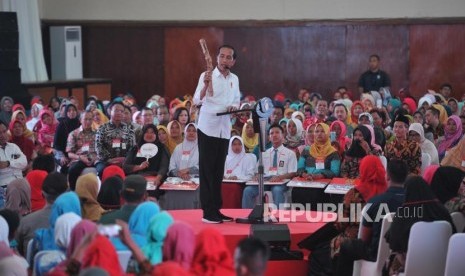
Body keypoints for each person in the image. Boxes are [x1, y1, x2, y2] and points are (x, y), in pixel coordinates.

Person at [332, 159, 408, 276]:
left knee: (339, 244)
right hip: (401, 251)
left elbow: (343, 224)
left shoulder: (356, 195)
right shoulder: (408, 200)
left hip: (371, 247)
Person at [193, 44, 241, 223]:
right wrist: (205, 86)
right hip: (208, 127)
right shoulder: (207, 75)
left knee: (218, 171)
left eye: (229, 57)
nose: (224, 60)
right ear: (217, 57)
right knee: (207, 171)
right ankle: (207, 212)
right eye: (222, 56)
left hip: (224, 128)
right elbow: (197, 99)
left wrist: (234, 107)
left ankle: (217, 209)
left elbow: (236, 100)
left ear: (233, 61)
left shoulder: (234, 79)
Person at [384, 176, 455, 275]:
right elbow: (453, 234)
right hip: (441, 266)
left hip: (408, 267)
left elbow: (394, 243)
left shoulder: (404, 213)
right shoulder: (442, 211)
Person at [242, 124, 297, 209]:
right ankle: (247, 215)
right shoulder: (264, 153)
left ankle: (277, 217)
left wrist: (279, 177)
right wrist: (256, 176)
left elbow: (292, 172)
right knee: (248, 190)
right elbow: (257, 171)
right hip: (266, 181)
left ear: (283, 135)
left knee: (277, 190)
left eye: (277, 132)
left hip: (282, 182)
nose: (274, 135)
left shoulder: (290, 153)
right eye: (271, 133)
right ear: (269, 137)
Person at [15, 172, 68, 256]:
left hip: (31, 267)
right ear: (66, 194)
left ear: (42, 194)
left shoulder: (25, 222)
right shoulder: (75, 222)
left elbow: (18, 252)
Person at [292, 123, 340, 206]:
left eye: (322, 131)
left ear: (327, 133)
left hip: (323, 183)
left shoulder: (333, 152)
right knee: (296, 191)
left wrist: (320, 176)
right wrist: (304, 174)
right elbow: (300, 168)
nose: (319, 133)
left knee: (315, 193)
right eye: (317, 131)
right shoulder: (307, 150)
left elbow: (335, 172)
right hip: (306, 180)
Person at [95, 101, 136, 176]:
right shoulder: (102, 128)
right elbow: (98, 147)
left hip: (125, 161)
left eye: (122, 111)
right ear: (110, 111)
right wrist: (109, 160)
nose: (119, 113)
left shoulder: (129, 129)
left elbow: (132, 148)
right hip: (105, 161)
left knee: (133, 169)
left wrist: (125, 159)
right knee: (101, 171)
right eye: (116, 110)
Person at [66, 110, 98, 190]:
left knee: (104, 168)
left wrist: (96, 158)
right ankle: (73, 192)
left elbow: (101, 150)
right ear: (80, 120)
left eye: (90, 119)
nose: (88, 121)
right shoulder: (74, 133)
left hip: (95, 159)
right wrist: (80, 158)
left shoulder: (97, 133)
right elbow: (69, 154)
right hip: (80, 158)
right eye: (85, 119)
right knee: (73, 170)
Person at [0, 120, 27, 208]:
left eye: (4, 131)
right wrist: (16, 165)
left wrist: (8, 163)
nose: (2, 135)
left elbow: (24, 163)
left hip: (20, 181)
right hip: (4, 185)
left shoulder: (13, 147)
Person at [53, 104, 81, 173]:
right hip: (62, 153)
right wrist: (62, 156)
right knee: (65, 165)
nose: (72, 112)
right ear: (66, 113)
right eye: (69, 110)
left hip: (76, 153)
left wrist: (75, 156)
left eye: (74, 110)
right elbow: (56, 143)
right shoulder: (61, 125)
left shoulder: (79, 124)